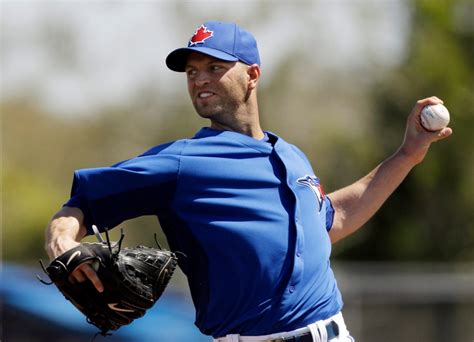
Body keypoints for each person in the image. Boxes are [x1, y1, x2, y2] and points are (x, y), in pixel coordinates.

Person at [44, 21, 452, 342]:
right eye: (192, 71)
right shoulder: (183, 162)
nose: (199, 79)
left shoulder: (291, 157)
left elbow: (334, 220)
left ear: (252, 75)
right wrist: (63, 242)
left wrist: (408, 154)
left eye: (215, 67)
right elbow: (84, 202)